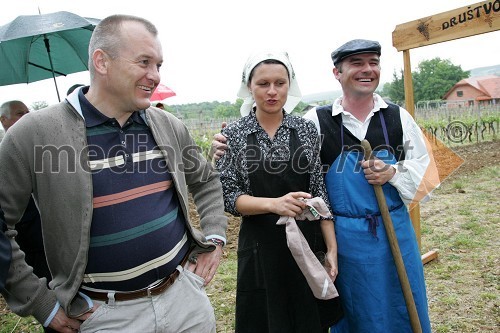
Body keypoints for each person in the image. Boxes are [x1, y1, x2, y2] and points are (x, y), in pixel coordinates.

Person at [0, 14, 227, 333]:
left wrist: (215, 237)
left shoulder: (166, 124)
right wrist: (41, 303)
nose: (155, 75)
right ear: (101, 61)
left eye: (159, 65)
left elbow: (205, 181)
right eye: (144, 62)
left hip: (185, 300)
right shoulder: (32, 135)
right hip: (105, 317)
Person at [213, 40, 437, 333]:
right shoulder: (316, 120)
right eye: (357, 63)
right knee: (354, 309)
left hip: (394, 229)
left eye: (373, 62)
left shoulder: (399, 116)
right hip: (347, 237)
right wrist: (219, 148)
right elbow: (238, 183)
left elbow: (430, 176)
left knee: (401, 303)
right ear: (337, 72)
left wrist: (394, 173)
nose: (366, 69)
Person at [215, 51, 343, 333]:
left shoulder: (306, 129)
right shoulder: (233, 134)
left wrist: (332, 249)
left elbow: (319, 192)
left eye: (280, 83)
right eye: (263, 84)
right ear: (250, 86)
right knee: (264, 321)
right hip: (261, 246)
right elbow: (229, 196)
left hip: (307, 243)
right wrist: (275, 204)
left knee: (307, 320)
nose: (272, 92)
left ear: (290, 85)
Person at [0, 101, 53, 301]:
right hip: (30, 251)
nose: (27, 117)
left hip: (57, 245)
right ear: (3, 120)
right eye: (20, 113)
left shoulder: (43, 151)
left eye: (28, 112)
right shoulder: (3, 158)